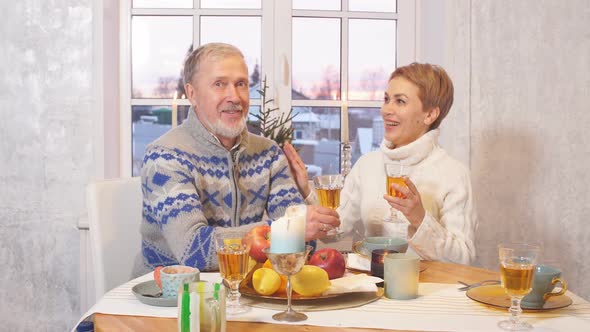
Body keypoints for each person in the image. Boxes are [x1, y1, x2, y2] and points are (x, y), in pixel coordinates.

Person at [134, 43, 339, 275]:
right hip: (169, 299)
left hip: (244, 291)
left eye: (241, 84)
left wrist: (297, 227)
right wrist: (288, 229)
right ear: (192, 94)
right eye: (219, 84)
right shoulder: (164, 156)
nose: (234, 96)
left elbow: (305, 244)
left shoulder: (268, 153)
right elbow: (194, 251)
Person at [285, 63, 477, 265]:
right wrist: (306, 189)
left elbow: (464, 257)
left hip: (429, 293)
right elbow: (333, 231)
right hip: (374, 289)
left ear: (430, 114)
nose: (386, 110)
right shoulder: (367, 164)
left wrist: (420, 219)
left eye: (400, 101)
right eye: (386, 99)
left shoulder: (454, 174)